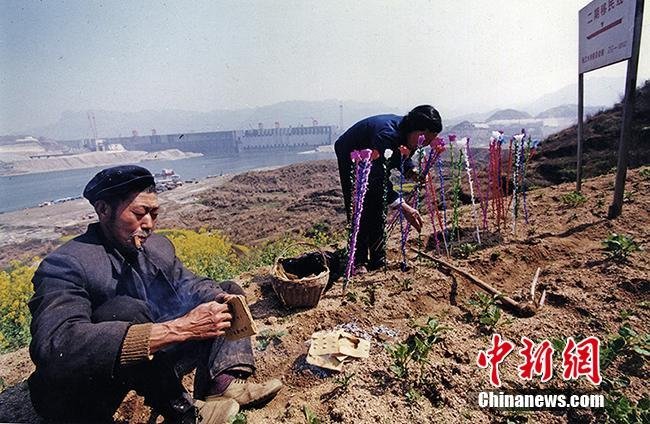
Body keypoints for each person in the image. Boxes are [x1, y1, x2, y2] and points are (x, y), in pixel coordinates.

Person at [28, 165, 282, 424]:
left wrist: (217, 298)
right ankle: (184, 412)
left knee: (225, 291)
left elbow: (189, 284)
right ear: (103, 210)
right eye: (139, 213)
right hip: (87, 388)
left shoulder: (157, 247)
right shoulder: (66, 263)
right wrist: (180, 329)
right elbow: (56, 344)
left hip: (152, 363)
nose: (148, 224)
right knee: (127, 310)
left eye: (154, 214)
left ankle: (220, 383)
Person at [334, 105, 443, 273]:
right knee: (359, 204)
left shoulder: (410, 134)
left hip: (373, 157)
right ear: (416, 130)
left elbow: (401, 155)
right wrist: (403, 206)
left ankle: (378, 257)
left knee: (379, 203)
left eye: (429, 141)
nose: (425, 144)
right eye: (425, 139)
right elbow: (376, 178)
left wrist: (411, 171)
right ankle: (358, 259)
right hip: (351, 153)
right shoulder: (387, 134)